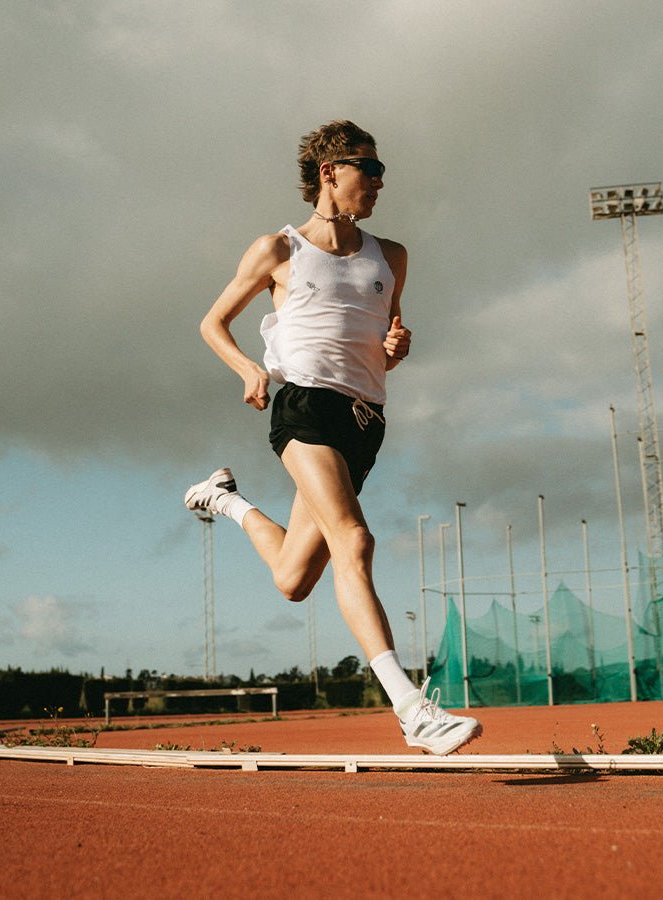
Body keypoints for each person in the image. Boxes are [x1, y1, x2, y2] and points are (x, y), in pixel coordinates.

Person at [185, 120, 482, 755]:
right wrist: (248, 368)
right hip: (303, 407)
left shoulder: (391, 257)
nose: (378, 182)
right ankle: (412, 710)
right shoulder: (279, 249)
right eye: (367, 170)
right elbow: (212, 322)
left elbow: (387, 338)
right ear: (329, 172)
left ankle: (224, 500)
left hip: (365, 420)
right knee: (355, 538)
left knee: (295, 578)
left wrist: (398, 346)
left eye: (381, 172)